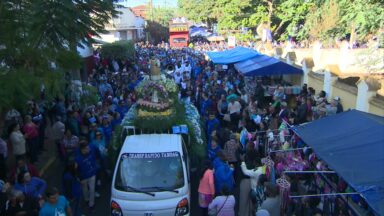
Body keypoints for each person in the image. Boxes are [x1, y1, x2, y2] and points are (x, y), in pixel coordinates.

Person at [75, 140, 98, 210]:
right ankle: (86, 199)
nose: (89, 149)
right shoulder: (78, 158)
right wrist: (79, 178)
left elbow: (94, 160)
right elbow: (76, 169)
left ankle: (91, 204)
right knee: (84, 189)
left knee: (92, 189)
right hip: (84, 177)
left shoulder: (90, 153)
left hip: (92, 175)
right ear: (83, 149)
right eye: (87, 148)